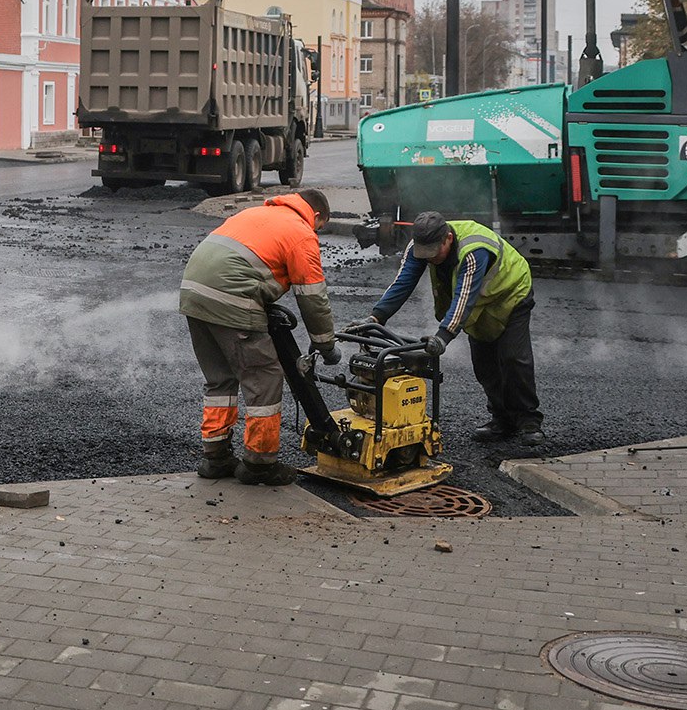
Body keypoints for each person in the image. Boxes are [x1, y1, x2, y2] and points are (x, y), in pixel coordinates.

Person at [178, 188, 337, 486]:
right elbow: (312, 297)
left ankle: (216, 458)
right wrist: (325, 343)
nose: (316, 232)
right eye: (320, 226)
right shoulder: (301, 232)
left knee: (220, 379)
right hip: (232, 298)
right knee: (264, 378)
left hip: (193, 294)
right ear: (316, 215)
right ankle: (259, 464)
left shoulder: (257, 213)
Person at [369, 211, 544, 447]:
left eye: (434, 253)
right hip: (480, 304)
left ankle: (529, 422)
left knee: (514, 358)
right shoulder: (419, 246)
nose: (430, 259)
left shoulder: (474, 251)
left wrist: (443, 337)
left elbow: (464, 297)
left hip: (511, 294)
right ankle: (502, 420)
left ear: (448, 239)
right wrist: (376, 317)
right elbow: (403, 281)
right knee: (484, 364)